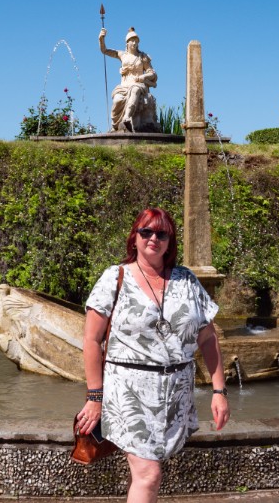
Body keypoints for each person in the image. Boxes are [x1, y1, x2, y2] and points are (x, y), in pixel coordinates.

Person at [76, 207, 229, 502]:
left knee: (148, 475)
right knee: (149, 474)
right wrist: (95, 396)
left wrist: (219, 391)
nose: (153, 238)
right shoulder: (115, 277)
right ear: (134, 237)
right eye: (146, 231)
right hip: (128, 393)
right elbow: (92, 340)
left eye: (162, 234)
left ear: (170, 241)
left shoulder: (187, 280)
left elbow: (208, 338)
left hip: (175, 395)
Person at [99, 27, 160, 133]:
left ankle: (127, 117)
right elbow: (105, 50)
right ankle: (115, 124)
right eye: (132, 40)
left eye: (136, 41)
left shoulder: (143, 57)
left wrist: (143, 77)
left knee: (135, 90)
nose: (134, 43)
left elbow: (152, 73)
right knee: (117, 100)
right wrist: (101, 39)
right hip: (123, 87)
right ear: (127, 42)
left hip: (138, 85)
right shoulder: (122, 55)